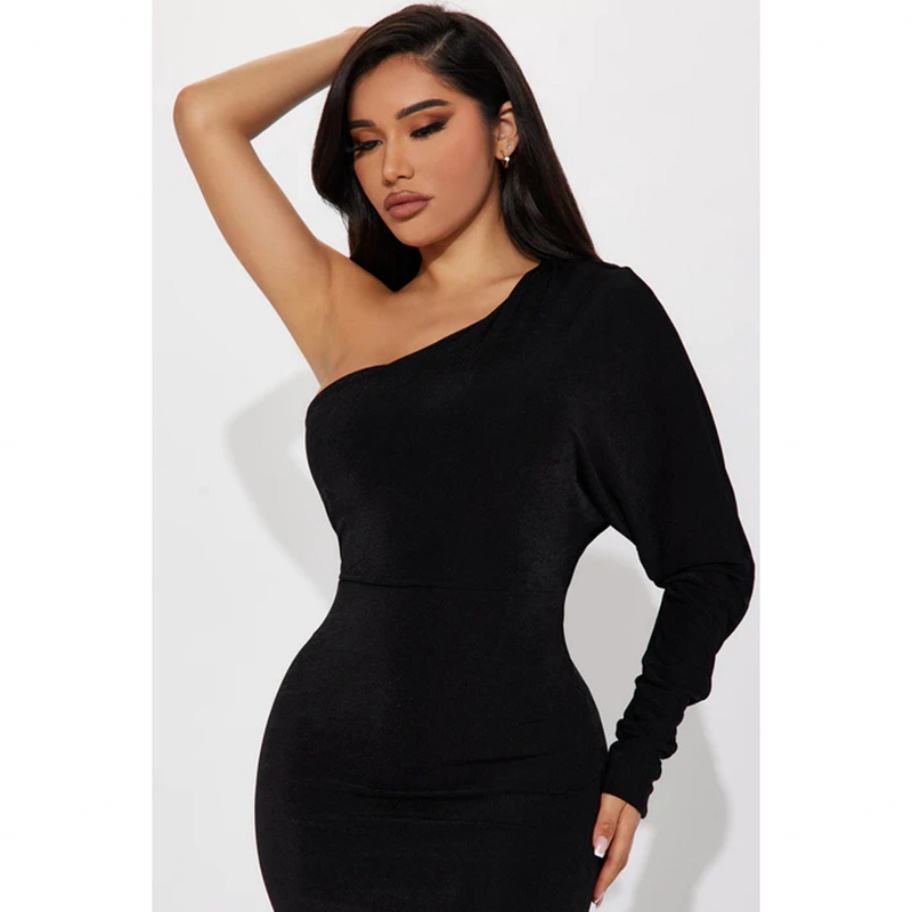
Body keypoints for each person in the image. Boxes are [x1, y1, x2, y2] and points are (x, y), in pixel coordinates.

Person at [173, 5, 755, 910]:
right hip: (328, 785)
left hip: (522, 787)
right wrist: (364, 45)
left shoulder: (598, 318)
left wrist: (635, 764)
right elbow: (204, 115)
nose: (391, 168)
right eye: (366, 141)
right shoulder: (345, 312)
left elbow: (710, 566)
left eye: (426, 125)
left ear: (503, 129)